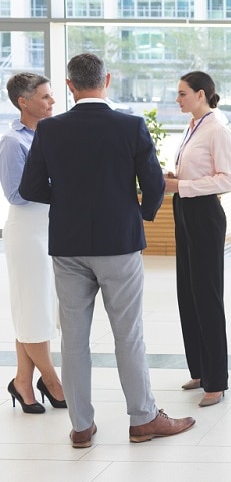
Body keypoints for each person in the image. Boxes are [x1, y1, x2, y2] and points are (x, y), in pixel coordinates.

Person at [19, 53, 194, 448]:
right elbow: (153, 185)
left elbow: (30, 188)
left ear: (69, 85)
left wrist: (66, 202)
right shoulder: (130, 126)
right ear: (107, 80)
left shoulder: (50, 130)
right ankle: (143, 419)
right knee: (128, 335)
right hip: (119, 243)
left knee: (74, 339)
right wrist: (138, 213)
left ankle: (81, 426)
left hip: (68, 244)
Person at [163, 71, 231, 408]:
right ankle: (200, 369)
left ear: (201, 94)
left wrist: (184, 186)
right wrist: (176, 179)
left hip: (204, 214)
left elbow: (227, 180)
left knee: (206, 295)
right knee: (187, 291)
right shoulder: (192, 126)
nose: (177, 99)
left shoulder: (217, 129)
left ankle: (216, 380)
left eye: (182, 93)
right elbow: (195, 172)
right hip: (184, 210)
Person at [2, 73, 65, 414]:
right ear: (24, 102)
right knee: (35, 309)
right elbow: (15, 193)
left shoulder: (49, 135)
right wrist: (61, 186)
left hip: (49, 227)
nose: (52, 102)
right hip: (28, 232)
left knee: (35, 309)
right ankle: (52, 381)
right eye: (45, 97)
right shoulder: (14, 141)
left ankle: (22, 382)